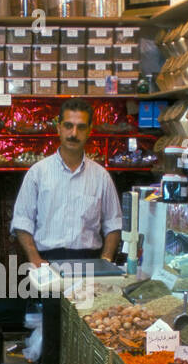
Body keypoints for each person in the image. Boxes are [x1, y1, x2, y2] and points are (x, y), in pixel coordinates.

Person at [10, 98, 122, 267]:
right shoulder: (38, 173)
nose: (74, 134)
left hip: (90, 262)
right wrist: (35, 259)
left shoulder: (101, 177)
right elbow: (22, 220)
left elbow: (113, 224)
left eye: (81, 127)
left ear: (90, 130)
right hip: (46, 261)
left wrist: (105, 260)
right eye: (68, 126)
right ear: (59, 128)